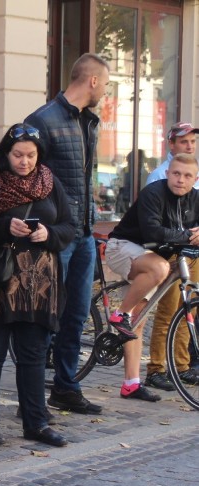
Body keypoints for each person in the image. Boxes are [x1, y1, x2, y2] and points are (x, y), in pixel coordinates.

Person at [0, 124, 75, 448]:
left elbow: (69, 225)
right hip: (0, 281)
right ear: (7, 153)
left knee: (33, 354)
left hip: (39, 284)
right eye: (18, 155)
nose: (25, 161)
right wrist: (5, 227)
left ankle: (36, 422)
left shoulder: (49, 181)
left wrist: (49, 234)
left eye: (31, 155)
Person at [25, 53, 110, 415]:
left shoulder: (90, 122)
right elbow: (23, 175)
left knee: (76, 314)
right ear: (92, 81)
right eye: (105, 84)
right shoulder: (42, 120)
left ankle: (65, 387)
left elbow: (84, 179)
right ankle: (30, 396)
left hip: (85, 234)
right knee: (45, 315)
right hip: (55, 235)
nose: (105, 91)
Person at [103, 154, 199, 402]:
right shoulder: (153, 193)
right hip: (123, 246)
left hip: (152, 256)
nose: (180, 180)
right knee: (159, 269)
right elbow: (152, 231)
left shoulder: (195, 199)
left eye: (187, 176)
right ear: (168, 173)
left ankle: (130, 384)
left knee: (140, 318)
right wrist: (189, 235)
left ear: (195, 179)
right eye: (176, 173)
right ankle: (119, 314)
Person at [141, 122, 199, 391]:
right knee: (167, 309)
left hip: (194, 252)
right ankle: (156, 367)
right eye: (183, 141)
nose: (189, 145)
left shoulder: (194, 172)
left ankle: (182, 365)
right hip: (170, 252)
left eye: (192, 141)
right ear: (171, 144)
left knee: (189, 307)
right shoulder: (160, 176)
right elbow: (157, 222)